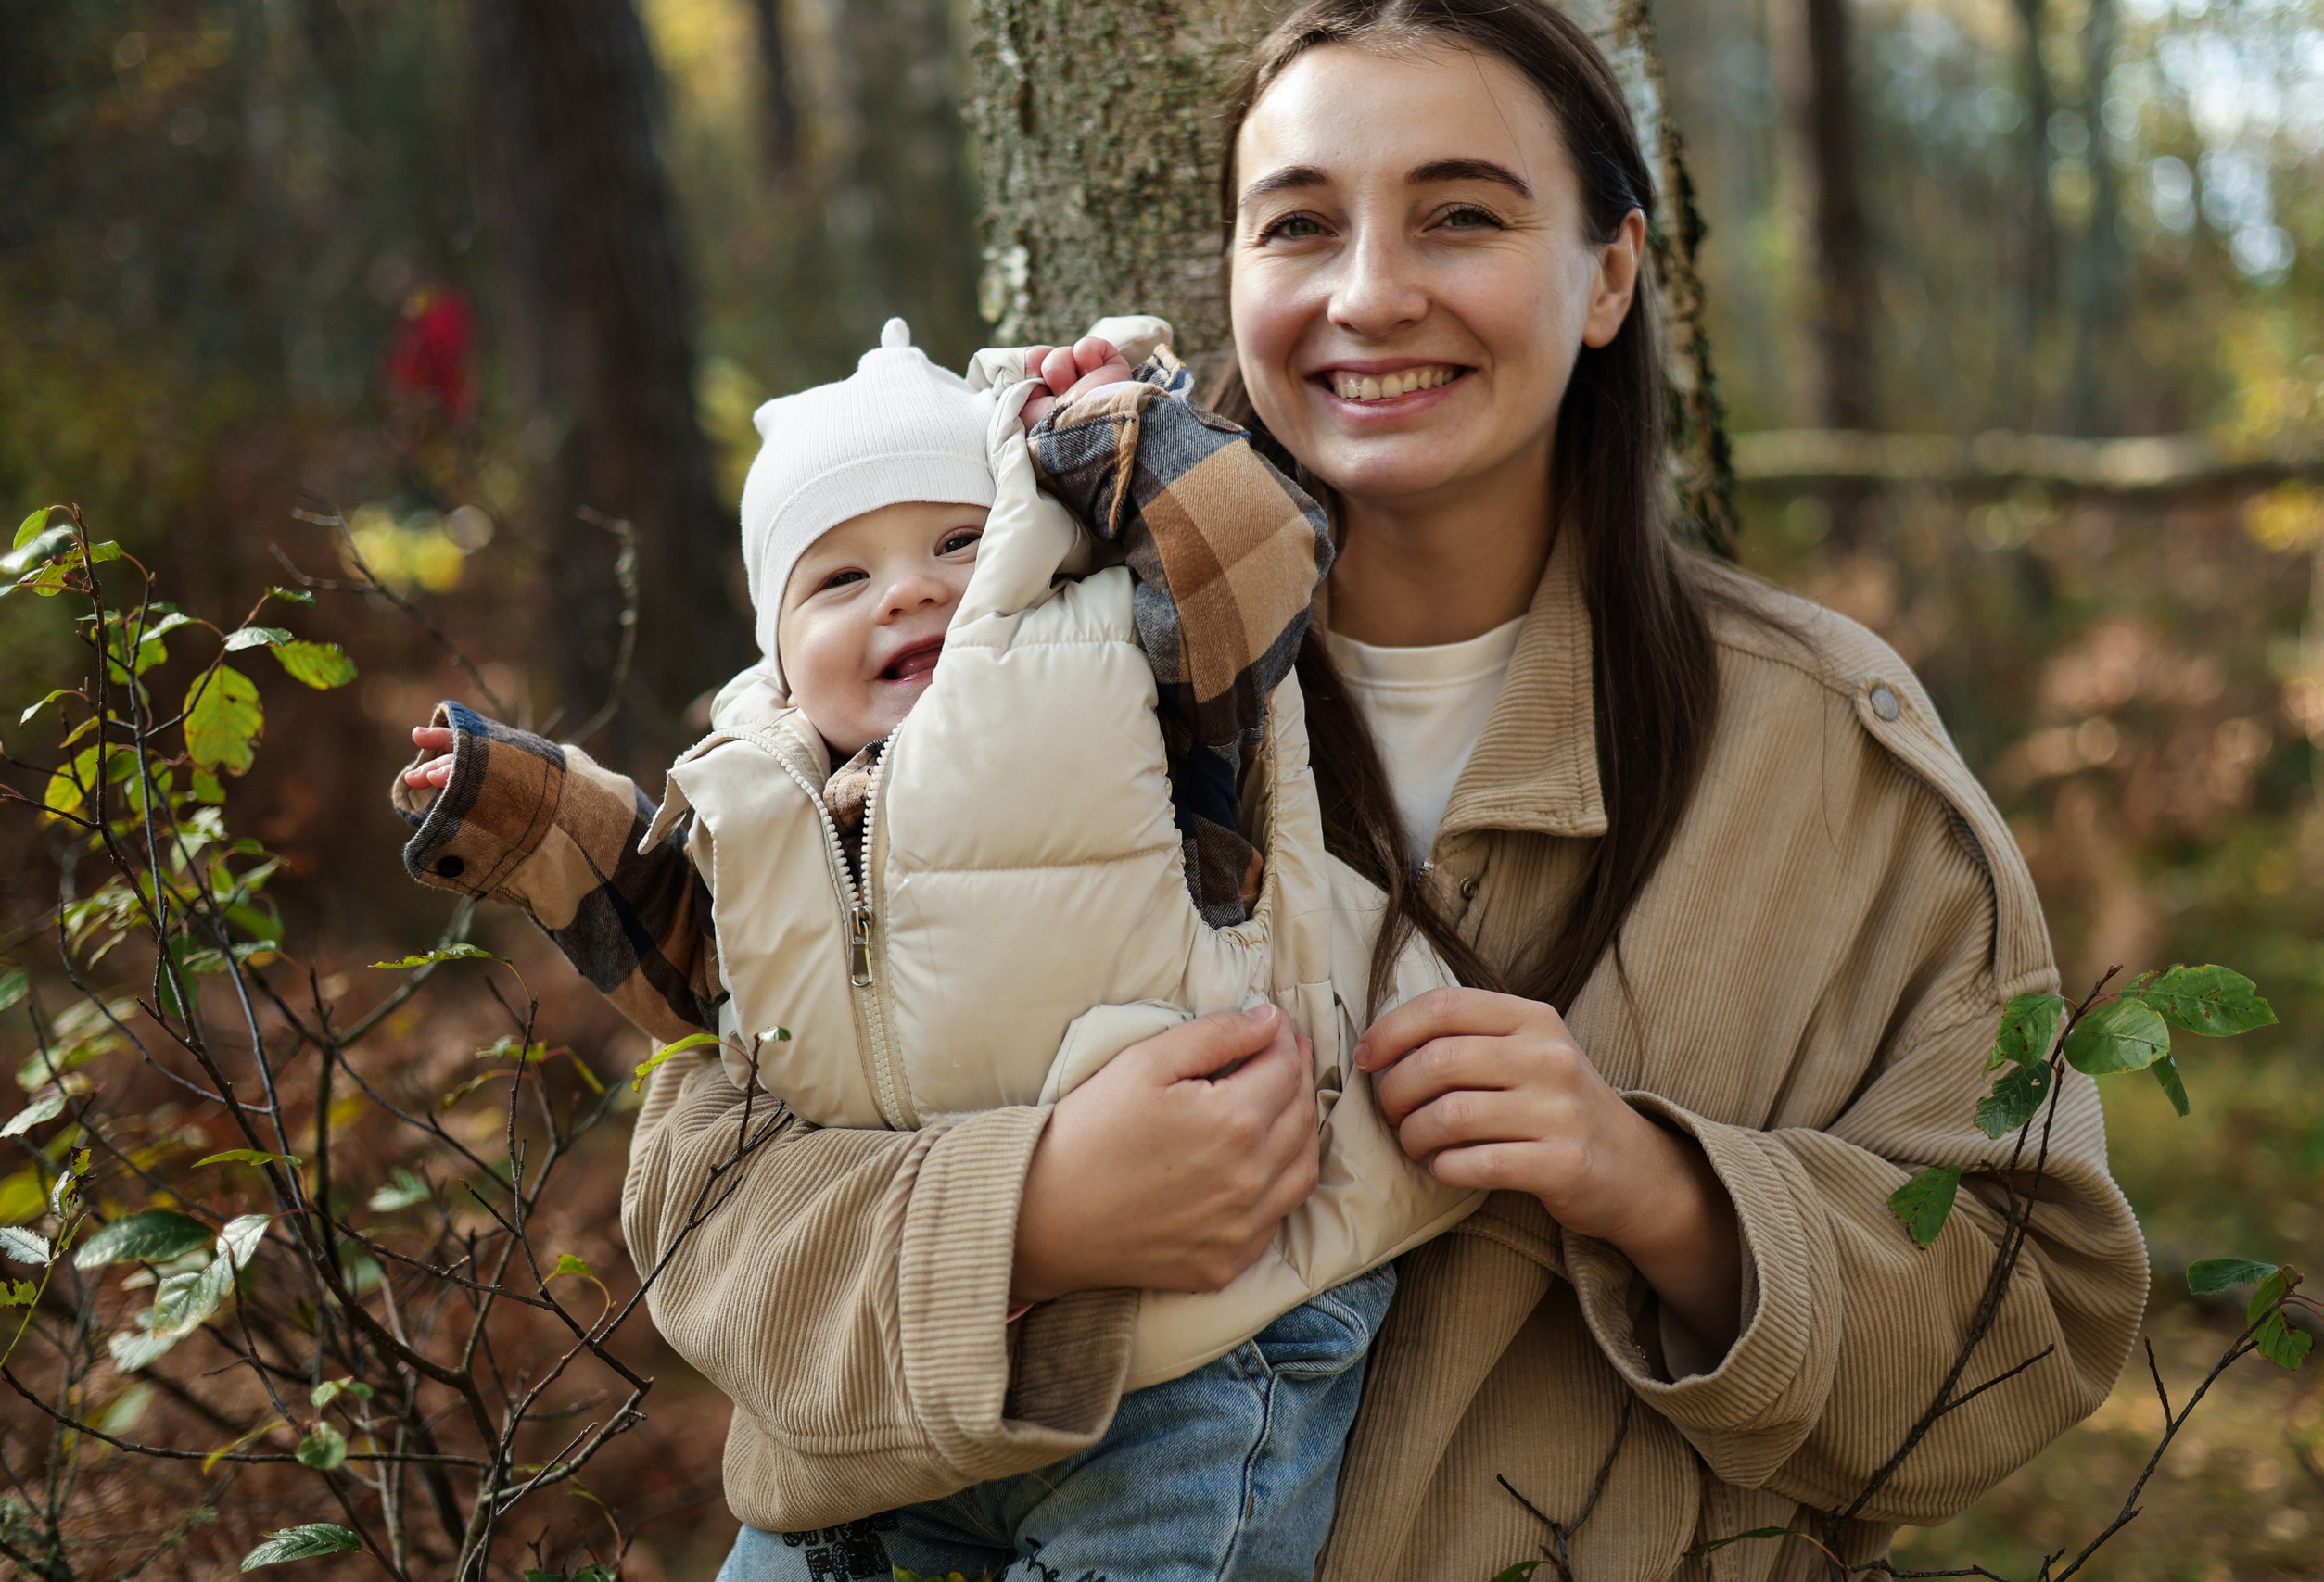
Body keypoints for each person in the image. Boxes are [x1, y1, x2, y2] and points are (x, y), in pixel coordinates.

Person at [426, 0, 2152, 1575]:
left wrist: (1659, 1190)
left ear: (1612, 274)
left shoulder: (1819, 751)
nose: (1371, 293)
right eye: (1302, 225)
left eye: (1462, 216)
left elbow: (2032, 1316)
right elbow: (713, 1204)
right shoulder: (996, 666)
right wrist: (1032, 1215)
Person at [393, 315, 1480, 1580]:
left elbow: (1258, 558)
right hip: (907, 1384)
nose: (907, 591)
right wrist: (532, 816)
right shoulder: (772, 801)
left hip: (1195, 1357)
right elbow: (679, 951)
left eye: (961, 543)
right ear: (777, 656)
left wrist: (1118, 445)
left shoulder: (1122, 683)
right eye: (839, 580)